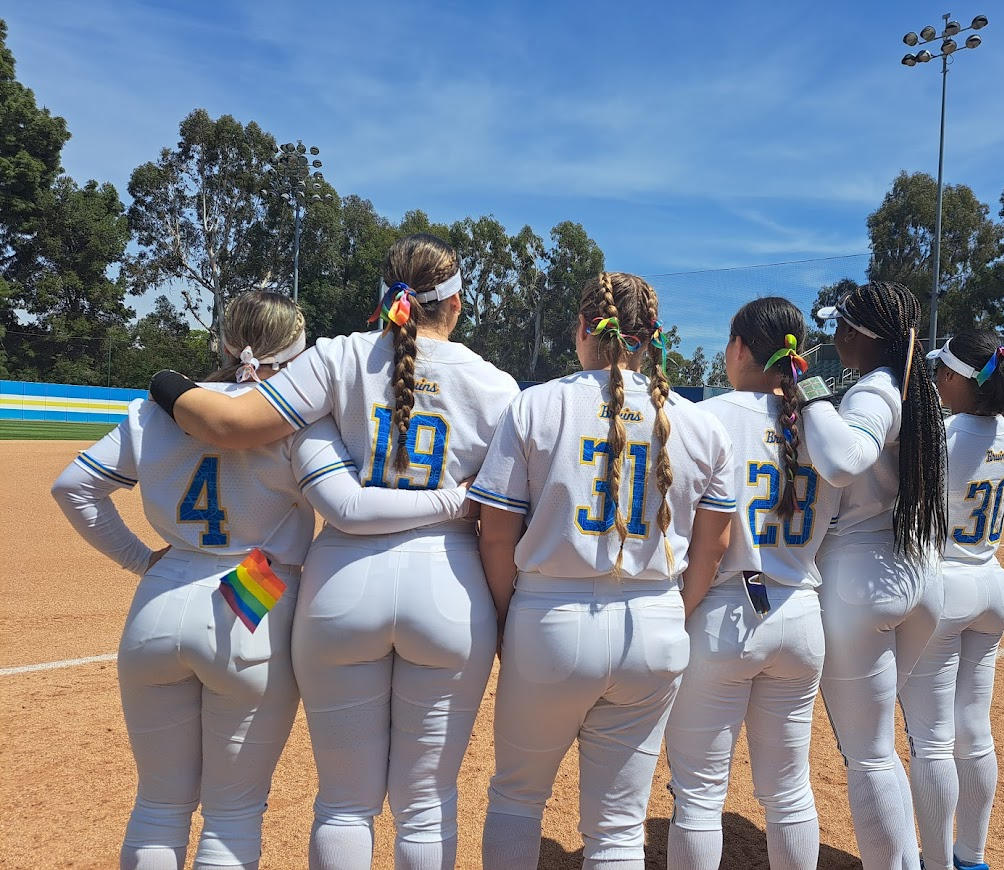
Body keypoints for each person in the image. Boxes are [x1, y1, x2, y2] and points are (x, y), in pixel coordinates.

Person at [53, 291, 477, 870]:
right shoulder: (298, 426)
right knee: (232, 814)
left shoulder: (155, 410)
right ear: (296, 350)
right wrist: (456, 501)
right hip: (253, 594)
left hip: (162, 593)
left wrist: (138, 559)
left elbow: (73, 487)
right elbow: (348, 507)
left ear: (224, 341)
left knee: (157, 806)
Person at [149, 234, 521, 870]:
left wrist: (163, 382)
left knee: (344, 804)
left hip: (341, 585)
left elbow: (228, 424)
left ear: (385, 298)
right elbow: (498, 526)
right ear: (457, 304)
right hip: (450, 587)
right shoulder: (498, 386)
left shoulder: (338, 356)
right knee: (426, 803)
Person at [467, 271, 736, 870]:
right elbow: (714, 550)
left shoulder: (536, 403)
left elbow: (496, 535)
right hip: (656, 621)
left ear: (584, 329)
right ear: (654, 337)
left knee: (516, 797)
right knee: (618, 830)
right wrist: (673, 611)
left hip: (550, 616)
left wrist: (511, 618)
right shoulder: (702, 423)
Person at [663, 298, 841, 870]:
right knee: (789, 791)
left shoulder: (706, 415)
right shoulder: (824, 427)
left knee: (697, 795)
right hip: (800, 613)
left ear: (739, 347)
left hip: (723, 613)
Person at [806, 281, 948, 870]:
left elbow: (843, 461)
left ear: (857, 335)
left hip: (862, 578)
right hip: (917, 571)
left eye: (840, 327)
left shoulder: (874, 390)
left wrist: (811, 397)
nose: (833, 336)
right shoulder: (918, 390)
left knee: (868, 754)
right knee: (885, 743)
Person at [896, 330, 1004, 870]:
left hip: (944, 585)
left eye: (942, 372)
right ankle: (971, 857)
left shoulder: (945, 435)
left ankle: (936, 863)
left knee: (931, 741)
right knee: (974, 733)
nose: (936, 380)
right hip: (992, 582)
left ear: (958, 379)